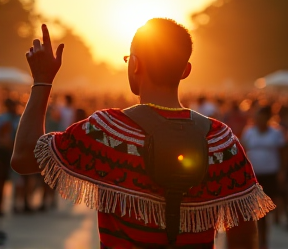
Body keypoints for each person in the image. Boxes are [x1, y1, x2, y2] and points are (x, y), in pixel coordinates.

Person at [11, 19, 275, 249]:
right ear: (185, 71)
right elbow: (242, 241)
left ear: (135, 64)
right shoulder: (222, 141)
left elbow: (24, 157)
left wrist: (42, 80)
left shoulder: (108, 132)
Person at [241, 105, 286, 249]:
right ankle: (259, 240)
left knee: (268, 206)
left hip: (271, 174)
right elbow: (242, 151)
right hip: (254, 176)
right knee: (257, 210)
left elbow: (282, 153)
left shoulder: (276, 133)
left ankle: (264, 237)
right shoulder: (249, 132)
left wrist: (282, 171)